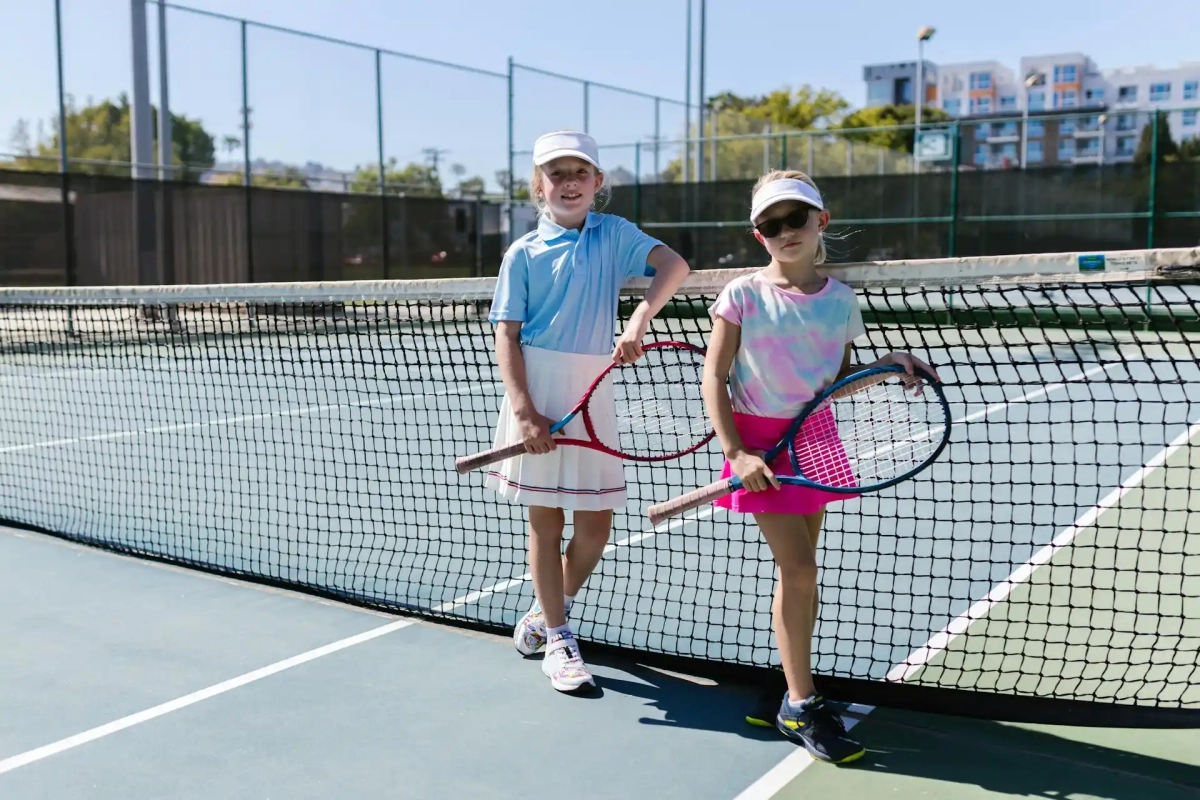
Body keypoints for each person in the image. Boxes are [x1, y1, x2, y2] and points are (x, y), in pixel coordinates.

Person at [701, 169, 939, 763]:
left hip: (815, 442)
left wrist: (888, 365)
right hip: (757, 445)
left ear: (820, 222)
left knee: (801, 574)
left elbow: (833, 385)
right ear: (758, 235)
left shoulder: (840, 300)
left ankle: (790, 684)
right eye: (770, 224)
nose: (784, 231)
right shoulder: (742, 295)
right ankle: (801, 706)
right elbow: (714, 377)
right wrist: (736, 451)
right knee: (801, 570)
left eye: (795, 219)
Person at [485, 130, 691, 693]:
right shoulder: (522, 253)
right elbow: (507, 334)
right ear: (538, 185)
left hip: (594, 385)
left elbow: (674, 266)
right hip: (538, 388)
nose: (569, 182)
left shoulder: (615, 234)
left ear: (597, 184)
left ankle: (544, 612)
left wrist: (638, 322)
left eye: (580, 172)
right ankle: (558, 636)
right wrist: (526, 412)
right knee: (545, 521)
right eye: (557, 173)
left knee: (596, 526)